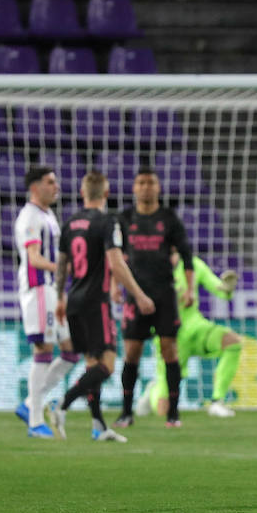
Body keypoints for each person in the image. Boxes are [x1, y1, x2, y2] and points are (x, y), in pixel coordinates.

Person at [48, 172, 155, 442]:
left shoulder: (70, 223)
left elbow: (62, 265)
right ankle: (62, 404)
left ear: (83, 194)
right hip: (97, 302)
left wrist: (59, 297)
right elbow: (116, 264)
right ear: (106, 194)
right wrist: (140, 296)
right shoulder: (109, 222)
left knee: (91, 364)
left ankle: (98, 426)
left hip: (73, 300)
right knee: (106, 365)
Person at [114, 167, 194, 428]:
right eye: (141, 182)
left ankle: (173, 413)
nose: (146, 187)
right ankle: (126, 412)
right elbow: (113, 255)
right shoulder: (125, 218)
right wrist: (115, 285)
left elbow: (186, 254)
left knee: (169, 350)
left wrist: (190, 288)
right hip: (134, 293)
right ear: (134, 188)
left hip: (164, 293)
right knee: (132, 352)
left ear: (158, 188)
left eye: (151, 182)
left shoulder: (169, 218)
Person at [12, 166, 81, 439]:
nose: (56, 186)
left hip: (52, 290)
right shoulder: (29, 217)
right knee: (43, 350)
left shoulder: (48, 215)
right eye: (50, 182)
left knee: (71, 351)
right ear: (35, 187)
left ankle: (30, 404)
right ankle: (35, 421)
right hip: (38, 289)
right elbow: (34, 259)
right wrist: (62, 269)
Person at [138, 252, 241, 418]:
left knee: (233, 342)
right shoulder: (154, 267)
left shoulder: (193, 264)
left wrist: (227, 288)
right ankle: (153, 393)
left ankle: (217, 401)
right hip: (169, 337)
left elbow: (218, 288)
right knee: (164, 410)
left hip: (195, 327)